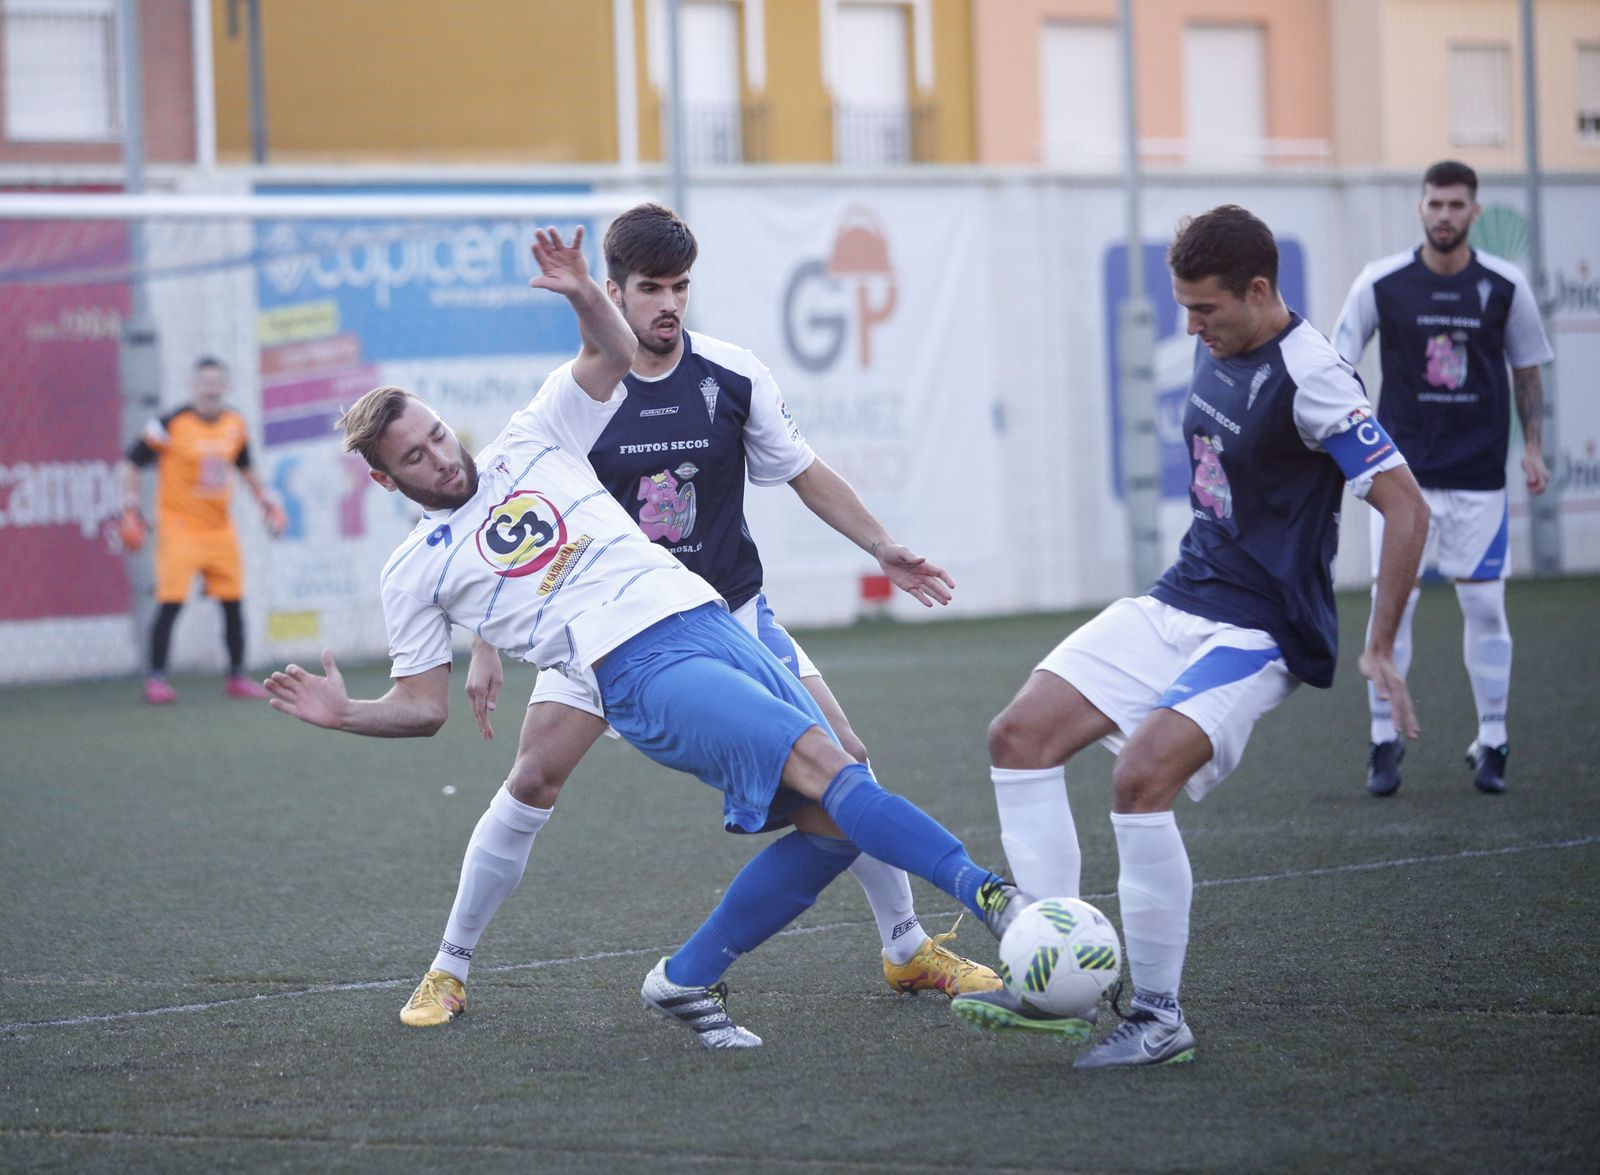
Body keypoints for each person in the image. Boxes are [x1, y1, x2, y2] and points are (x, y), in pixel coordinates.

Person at [263, 226, 1026, 1050]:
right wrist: (347, 713)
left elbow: (614, 351)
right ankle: (992, 897)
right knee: (565, 777)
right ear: (386, 479)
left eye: (440, 434)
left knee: (837, 808)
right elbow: (421, 706)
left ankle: (703, 974)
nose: (442, 458)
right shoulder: (412, 568)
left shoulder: (533, 434)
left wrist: (584, 287)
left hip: (710, 608)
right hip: (627, 657)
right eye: (416, 456)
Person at [947, 205, 1430, 1068]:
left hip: (1262, 628)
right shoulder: (1219, 345)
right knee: (1017, 737)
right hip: (1180, 596)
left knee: (1139, 780)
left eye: (1205, 309)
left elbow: (1406, 506)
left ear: (1258, 290)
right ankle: (1052, 968)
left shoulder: (1314, 375)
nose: (1190, 327)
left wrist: (1382, 643)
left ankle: (1161, 1016)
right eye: (1182, 307)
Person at [1333, 160, 1553, 797]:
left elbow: (1528, 372)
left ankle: (1492, 739)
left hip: (1480, 478)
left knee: (1484, 604)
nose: (1445, 216)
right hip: (1400, 484)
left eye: (1457, 205)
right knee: (1391, 610)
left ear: (1474, 212)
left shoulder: (1505, 285)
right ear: (1421, 208)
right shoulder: (1381, 283)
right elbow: (1338, 365)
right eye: (1436, 204)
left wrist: (1533, 447)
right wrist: (1353, 449)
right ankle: (1382, 742)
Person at [119, 356, 283, 704]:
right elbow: (132, 460)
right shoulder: (171, 423)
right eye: (204, 382)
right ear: (194, 386)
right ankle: (157, 679)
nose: (210, 388)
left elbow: (244, 465)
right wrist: (131, 506)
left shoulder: (235, 424)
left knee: (233, 602)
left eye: (216, 382)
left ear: (226, 386)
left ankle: (236, 676)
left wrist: (265, 500)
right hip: (179, 529)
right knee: (171, 602)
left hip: (220, 530)